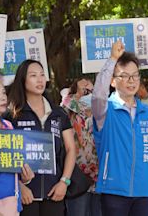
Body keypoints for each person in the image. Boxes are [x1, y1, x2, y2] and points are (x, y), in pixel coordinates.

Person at [92, 40, 148, 216]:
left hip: (144, 192)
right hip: (114, 190)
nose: (131, 81)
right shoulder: (105, 109)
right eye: (124, 76)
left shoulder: (147, 112)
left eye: (135, 75)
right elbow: (98, 94)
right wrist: (112, 59)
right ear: (113, 81)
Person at [6, 60, 76, 216]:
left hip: (54, 193)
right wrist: (18, 186)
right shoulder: (12, 115)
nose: (40, 80)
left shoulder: (58, 113)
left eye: (42, 75)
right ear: (22, 80)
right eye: (33, 75)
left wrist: (64, 182)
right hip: (26, 196)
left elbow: (71, 149)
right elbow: (4, 154)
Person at [0, 71, 34, 216]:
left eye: (3, 92)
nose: (3, 97)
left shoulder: (8, 126)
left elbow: (11, 166)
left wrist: (24, 178)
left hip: (12, 204)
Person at [60, 77, 101, 216]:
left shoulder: (98, 106)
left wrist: (95, 92)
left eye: (89, 81)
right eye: (82, 81)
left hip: (98, 169)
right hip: (77, 170)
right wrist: (79, 94)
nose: (86, 84)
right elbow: (67, 103)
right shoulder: (68, 104)